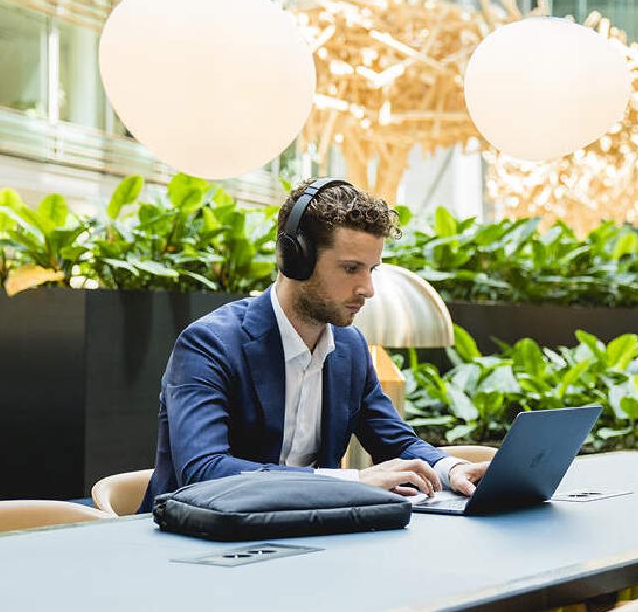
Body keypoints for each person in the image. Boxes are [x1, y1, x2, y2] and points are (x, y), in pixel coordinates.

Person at [139, 178, 488, 513]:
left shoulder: (349, 348)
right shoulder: (209, 345)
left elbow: (397, 442)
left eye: (371, 270)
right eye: (351, 269)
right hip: (194, 548)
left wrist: (450, 469)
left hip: (304, 540)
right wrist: (352, 482)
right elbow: (204, 473)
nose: (368, 289)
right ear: (296, 260)